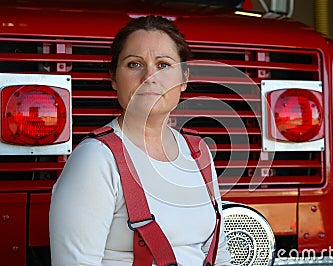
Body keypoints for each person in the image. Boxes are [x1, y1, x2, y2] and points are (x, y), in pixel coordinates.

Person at [49, 15, 232, 266]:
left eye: (164, 65)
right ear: (114, 77)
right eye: (134, 64)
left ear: (184, 78)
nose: (149, 76)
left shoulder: (198, 153)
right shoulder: (95, 159)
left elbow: (219, 254)